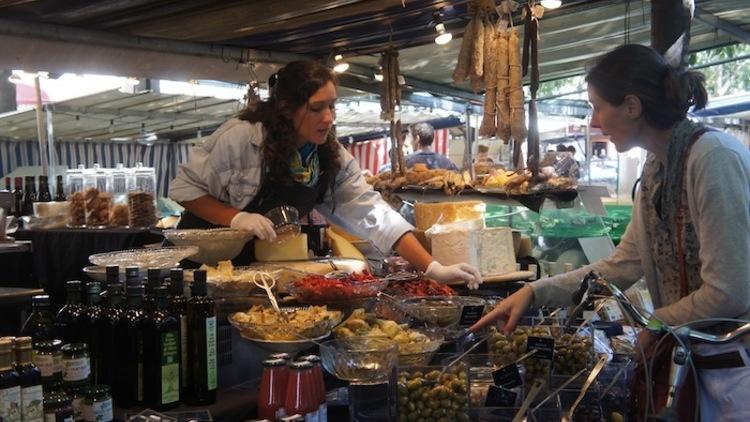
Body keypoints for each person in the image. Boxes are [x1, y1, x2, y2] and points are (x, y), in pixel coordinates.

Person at [472, 44, 750, 420]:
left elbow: (729, 291)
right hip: (699, 362)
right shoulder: (657, 168)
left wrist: (657, 322)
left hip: (737, 370)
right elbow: (623, 264)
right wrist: (534, 292)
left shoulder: (713, 158)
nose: (593, 122)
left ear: (632, 107)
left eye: (597, 106)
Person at [169, 60, 482, 288]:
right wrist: (236, 218)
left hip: (258, 276)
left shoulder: (328, 156)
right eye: (317, 108)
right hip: (202, 273)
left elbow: (375, 214)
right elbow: (185, 189)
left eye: (332, 106)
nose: (329, 118)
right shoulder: (243, 137)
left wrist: (433, 268)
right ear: (287, 108)